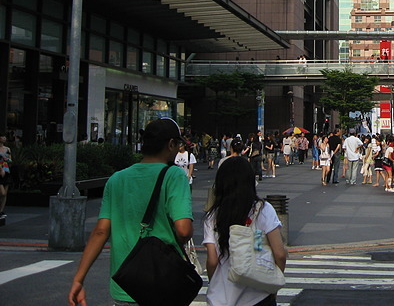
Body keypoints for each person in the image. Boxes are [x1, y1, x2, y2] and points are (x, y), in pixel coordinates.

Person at [68, 118, 193, 306]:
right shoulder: (174, 175)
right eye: (178, 144)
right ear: (171, 144)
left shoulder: (117, 179)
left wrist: (79, 279)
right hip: (161, 283)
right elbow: (183, 230)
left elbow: (101, 232)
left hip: (125, 284)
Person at [203, 157, 287, 306]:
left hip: (221, 298)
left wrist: (215, 281)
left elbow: (212, 261)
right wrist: (273, 285)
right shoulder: (262, 209)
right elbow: (279, 254)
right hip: (258, 295)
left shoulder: (213, 216)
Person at [0, 133, 11, 220]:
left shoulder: (7, 149)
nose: (4, 138)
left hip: (6, 170)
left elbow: (10, 159)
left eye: (5, 136)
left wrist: (7, 159)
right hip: (1, 170)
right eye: (2, 136)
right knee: (2, 192)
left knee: (5, 193)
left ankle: (1, 210)